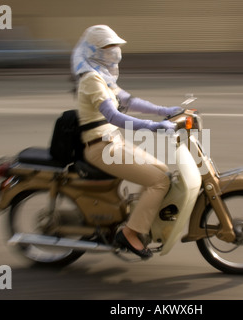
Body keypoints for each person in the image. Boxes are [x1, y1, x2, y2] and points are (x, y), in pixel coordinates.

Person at [71, 25, 183, 259]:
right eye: (108, 47)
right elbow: (114, 116)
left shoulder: (103, 75)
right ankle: (131, 232)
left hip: (112, 143)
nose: (115, 51)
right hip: (101, 148)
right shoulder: (91, 79)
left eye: (115, 46)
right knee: (159, 182)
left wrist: (165, 110)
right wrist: (154, 127)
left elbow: (129, 101)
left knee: (162, 171)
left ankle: (136, 220)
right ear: (94, 50)